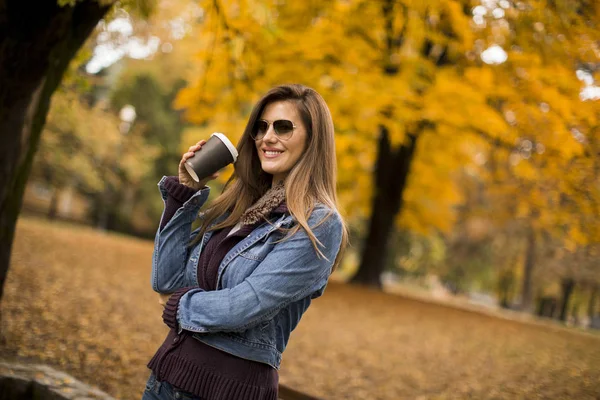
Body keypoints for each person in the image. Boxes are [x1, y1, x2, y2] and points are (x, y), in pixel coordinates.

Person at [142, 84, 348, 400]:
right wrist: (185, 193)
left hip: (228, 391)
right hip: (165, 380)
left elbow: (245, 306)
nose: (267, 137)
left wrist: (179, 306)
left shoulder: (317, 223)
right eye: (260, 127)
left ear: (313, 140)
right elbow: (166, 280)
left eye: (283, 127)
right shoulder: (239, 204)